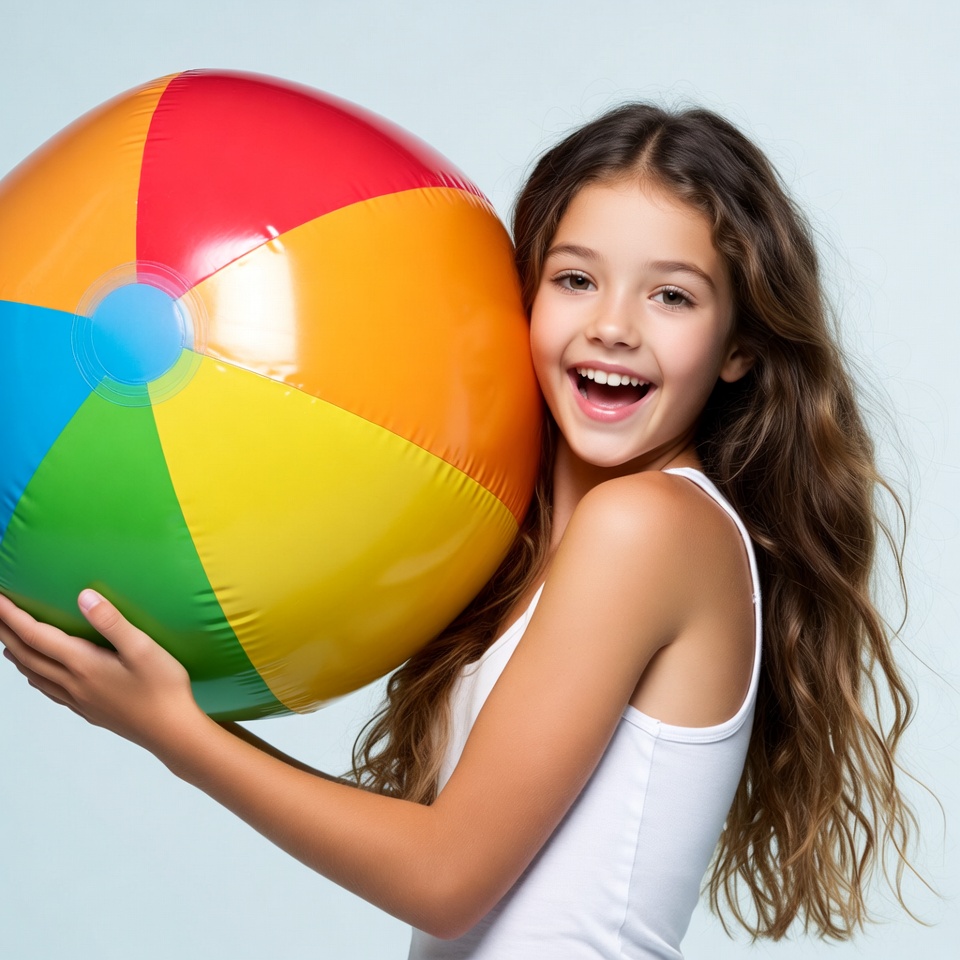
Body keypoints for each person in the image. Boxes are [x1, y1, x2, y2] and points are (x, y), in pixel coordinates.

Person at [0, 103, 918, 958]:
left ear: (741, 348)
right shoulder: (527, 546)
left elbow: (447, 879)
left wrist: (174, 730)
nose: (613, 327)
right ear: (523, 298)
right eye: (575, 279)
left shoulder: (651, 525)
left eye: (671, 297)